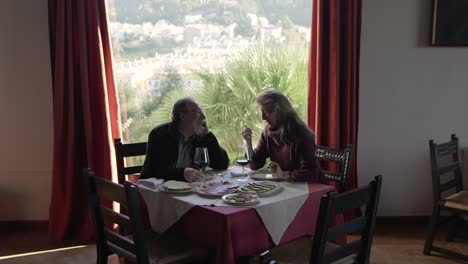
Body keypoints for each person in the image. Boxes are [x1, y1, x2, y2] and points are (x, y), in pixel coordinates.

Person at [242, 89, 325, 183]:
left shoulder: (301, 135)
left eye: (266, 112)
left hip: (312, 188)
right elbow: (255, 165)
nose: (263, 118)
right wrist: (248, 144)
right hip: (290, 186)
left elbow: (311, 173)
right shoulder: (268, 132)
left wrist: (284, 175)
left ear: (280, 112)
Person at [141, 97, 229, 182]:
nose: (203, 116)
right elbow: (156, 169)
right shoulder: (160, 134)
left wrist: (207, 136)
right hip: (156, 190)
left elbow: (222, 165)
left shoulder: (199, 136)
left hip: (188, 188)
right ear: (183, 116)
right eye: (198, 112)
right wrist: (182, 173)